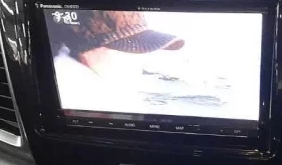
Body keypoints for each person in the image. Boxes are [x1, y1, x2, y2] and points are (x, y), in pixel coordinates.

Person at [49, 10, 184, 113]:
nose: (141, 62)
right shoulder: (84, 102)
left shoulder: (112, 91)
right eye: (129, 50)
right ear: (88, 51)